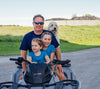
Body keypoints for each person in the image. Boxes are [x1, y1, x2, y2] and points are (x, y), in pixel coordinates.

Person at [20, 14, 62, 79]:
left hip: (47, 66)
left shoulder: (49, 34)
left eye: (41, 23)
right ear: (33, 23)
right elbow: (23, 53)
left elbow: (57, 49)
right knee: (21, 80)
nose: (39, 25)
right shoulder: (27, 37)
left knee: (61, 77)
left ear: (43, 24)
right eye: (37, 23)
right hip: (33, 66)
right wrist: (24, 68)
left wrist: (59, 64)